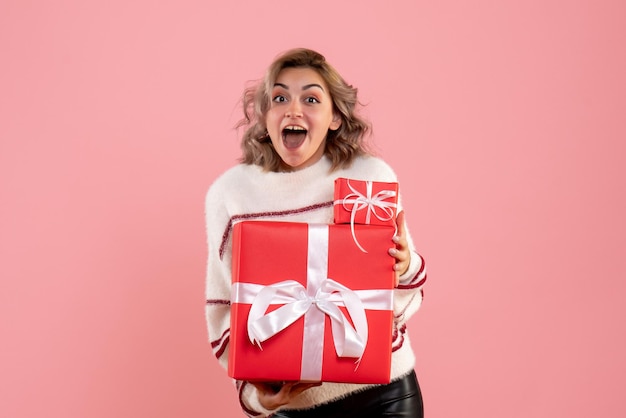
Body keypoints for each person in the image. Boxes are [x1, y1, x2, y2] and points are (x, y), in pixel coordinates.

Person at [205, 48, 427, 417]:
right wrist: (255, 397)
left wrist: (402, 266)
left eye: (310, 98)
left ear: (335, 118)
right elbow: (223, 306)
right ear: (264, 117)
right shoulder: (230, 194)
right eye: (279, 98)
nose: (293, 110)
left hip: (385, 397)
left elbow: (404, 297)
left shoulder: (369, 178)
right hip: (294, 406)